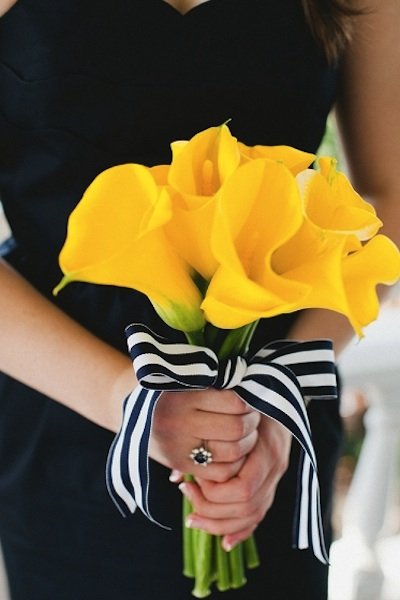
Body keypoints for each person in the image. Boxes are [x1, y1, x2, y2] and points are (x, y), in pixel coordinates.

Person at [0, 0, 399, 598]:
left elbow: (388, 200)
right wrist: (127, 403)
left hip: (267, 413)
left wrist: (275, 396)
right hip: (65, 410)